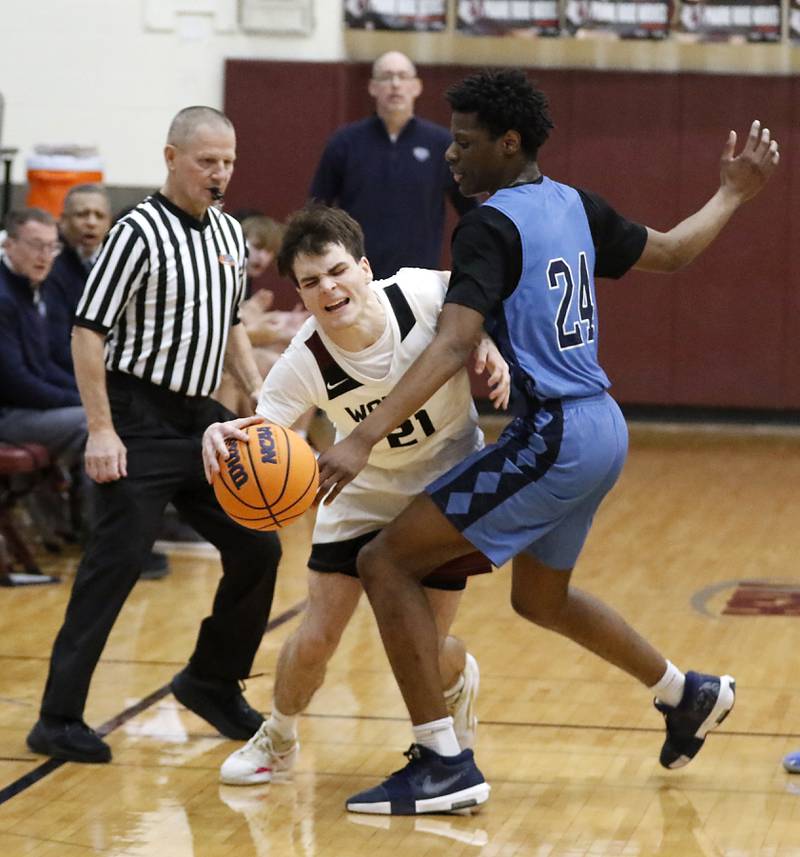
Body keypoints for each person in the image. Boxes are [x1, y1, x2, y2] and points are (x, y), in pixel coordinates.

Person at [316, 69, 780, 815]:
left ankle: (442, 761)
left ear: (509, 142)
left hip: (555, 431)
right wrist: (731, 194)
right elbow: (671, 252)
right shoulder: (572, 202)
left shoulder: (489, 224)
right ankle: (683, 691)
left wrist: (364, 434)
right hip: (602, 425)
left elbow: (451, 343)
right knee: (539, 596)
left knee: (386, 558)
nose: (451, 157)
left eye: (465, 143)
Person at [200, 204, 509, 786]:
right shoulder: (305, 358)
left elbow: (478, 300)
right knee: (317, 634)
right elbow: (264, 435)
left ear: (365, 268)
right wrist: (220, 432)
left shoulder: (420, 292)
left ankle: (458, 677)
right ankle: (279, 735)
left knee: (429, 643)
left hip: (441, 484)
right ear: (299, 291)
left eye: (337, 271)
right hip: (359, 487)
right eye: (311, 282)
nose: (329, 289)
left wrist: (487, 341)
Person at [26, 106, 282, 765]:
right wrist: (103, 429)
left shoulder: (227, 232)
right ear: (171, 158)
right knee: (114, 567)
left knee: (258, 546)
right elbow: (88, 331)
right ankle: (56, 717)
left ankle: (210, 680)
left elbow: (229, 321)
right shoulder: (136, 231)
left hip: (200, 422)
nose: (220, 173)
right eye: (207, 162)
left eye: (228, 161)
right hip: (135, 418)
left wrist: (255, 389)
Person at [309, 51, 476, 279]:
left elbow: (471, 210)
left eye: (402, 76)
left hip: (420, 280)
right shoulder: (345, 142)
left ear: (416, 86)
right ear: (372, 87)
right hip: (359, 277)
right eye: (386, 77)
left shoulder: (441, 144)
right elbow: (316, 209)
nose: (395, 84)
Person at [0, 208, 86, 476]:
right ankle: (93, 517)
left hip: (25, 407)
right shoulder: (4, 297)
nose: (45, 256)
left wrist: (88, 394)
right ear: (8, 244)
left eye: (52, 247)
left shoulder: (30, 287)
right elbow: (16, 382)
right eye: (36, 246)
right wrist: (81, 402)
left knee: (101, 415)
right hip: (8, 414)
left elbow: (45, 365)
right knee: (95, 424)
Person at [41, 184, 112, 376]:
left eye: (99, 216)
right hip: (70, 371)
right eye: (82, 215)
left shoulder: (114, 264)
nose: (91, 222)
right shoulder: (48, 268)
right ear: (62, 221)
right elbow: (58, 345)